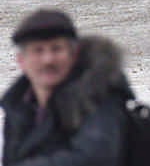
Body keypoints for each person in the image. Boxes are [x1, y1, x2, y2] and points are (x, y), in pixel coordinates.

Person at [1, 9, 132, 165]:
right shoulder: (17, 106)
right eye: (38, 51)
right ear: (21, 60)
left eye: (56, 49)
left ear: (74, 54)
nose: (48, 60)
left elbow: (94, 158)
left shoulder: (98, 97)